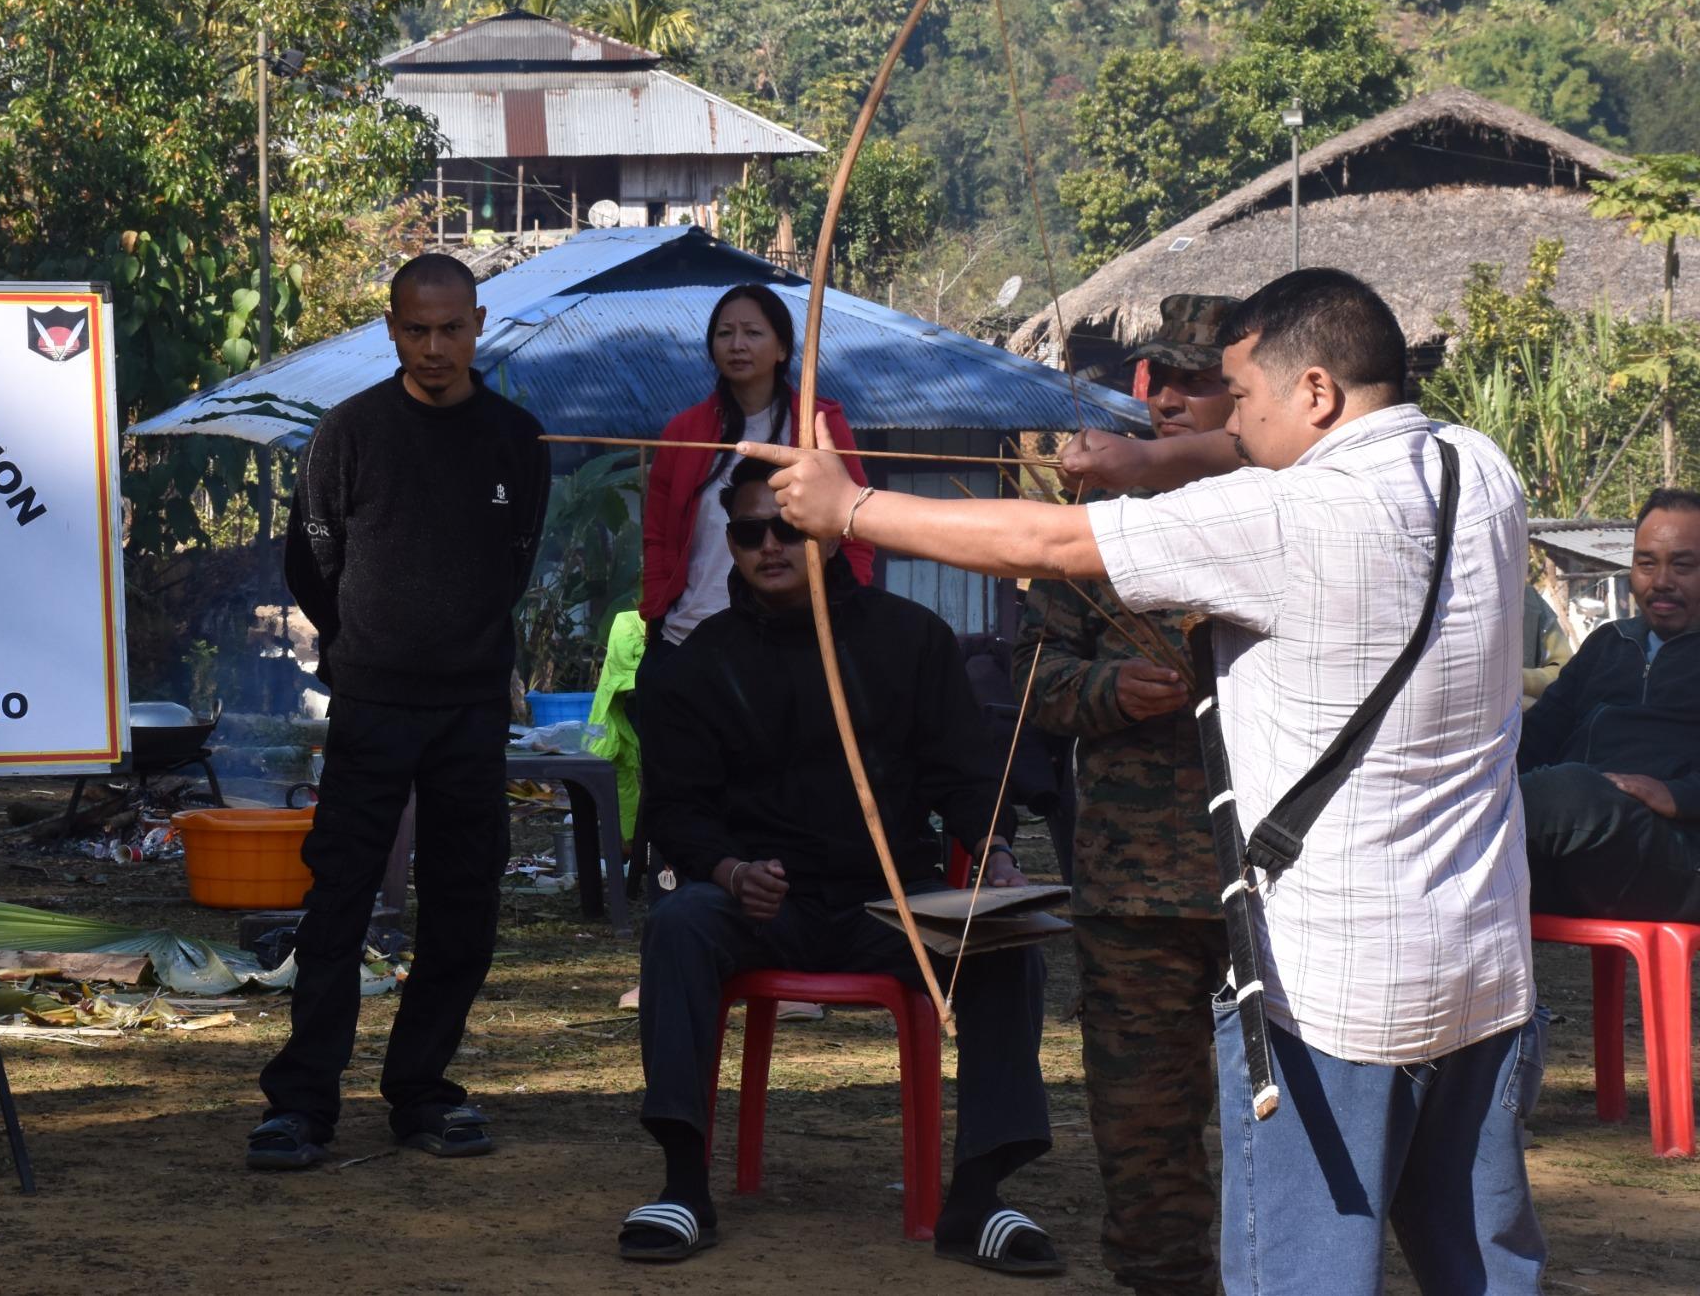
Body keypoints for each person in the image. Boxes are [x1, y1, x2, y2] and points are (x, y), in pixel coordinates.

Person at [743, 268, 1542, 1296]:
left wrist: (848, 506)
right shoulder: (1476, 467)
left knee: (1305, 1266)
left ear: (1311, 393)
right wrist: (1149, 456)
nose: (1235, 429)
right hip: (1480, 955)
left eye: (1243, 399)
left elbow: (1047, 540)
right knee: (1475, 1253)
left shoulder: (1283, 516)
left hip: (1335, 987)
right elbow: (1227, 460)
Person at [619, 456, 1058, 1271]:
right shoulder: (699, 661)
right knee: (679, 927)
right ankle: (683, 1183)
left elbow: (964, 773)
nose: (769, 546)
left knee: (1002, 944)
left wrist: (994, 855)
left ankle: (981, 1195)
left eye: (787, 527)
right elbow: (676, 808)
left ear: (824, 527)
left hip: (889, 904)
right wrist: (726, 871)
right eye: (749, 532)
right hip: (761, 908)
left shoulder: (911, 639)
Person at [249, 253, 550, 1170]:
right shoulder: (348, 434)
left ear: (479, 324)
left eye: (450, 328)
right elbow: (313, 565)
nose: (433, 347)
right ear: (390, 329)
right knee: (337, 900)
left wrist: (459, 646)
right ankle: (302, 1104)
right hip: (373, 703)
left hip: (469, 711)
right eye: (415, 329)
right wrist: (364, 644)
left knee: (464, 904)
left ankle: (422, 1090)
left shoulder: (515, 439)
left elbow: (516, 564)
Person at [1016, 294, 1237, 1296]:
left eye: (1199, 382)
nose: (1171, 400)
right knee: (1142, 1116)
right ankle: (1162, 1276)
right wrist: (1109, 689)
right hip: (1133, 879)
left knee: (1296, 1110)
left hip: (1273, 879)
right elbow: (1032, 676)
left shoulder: (1291, 505)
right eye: (1160, 380)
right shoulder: (1095, 523)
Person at [640, 282, 874, 652]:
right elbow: (657, 538)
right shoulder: (683, 432)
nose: (737, 345)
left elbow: (854, 521)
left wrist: (847, 603)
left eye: (752, 333)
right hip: (692, 632)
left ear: (782, 348)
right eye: (725, 334)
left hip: (802, 636)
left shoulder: (818, 424)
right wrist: (655, 610)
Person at [1517, 487, 1700, 922]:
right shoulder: (1608, 644)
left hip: (1675, 856)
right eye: (1646, 563)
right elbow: (1536, 738)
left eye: (1683, 566)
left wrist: (1679, 794)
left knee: (1572, 791)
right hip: (1571, 852)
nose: (1660, 582)